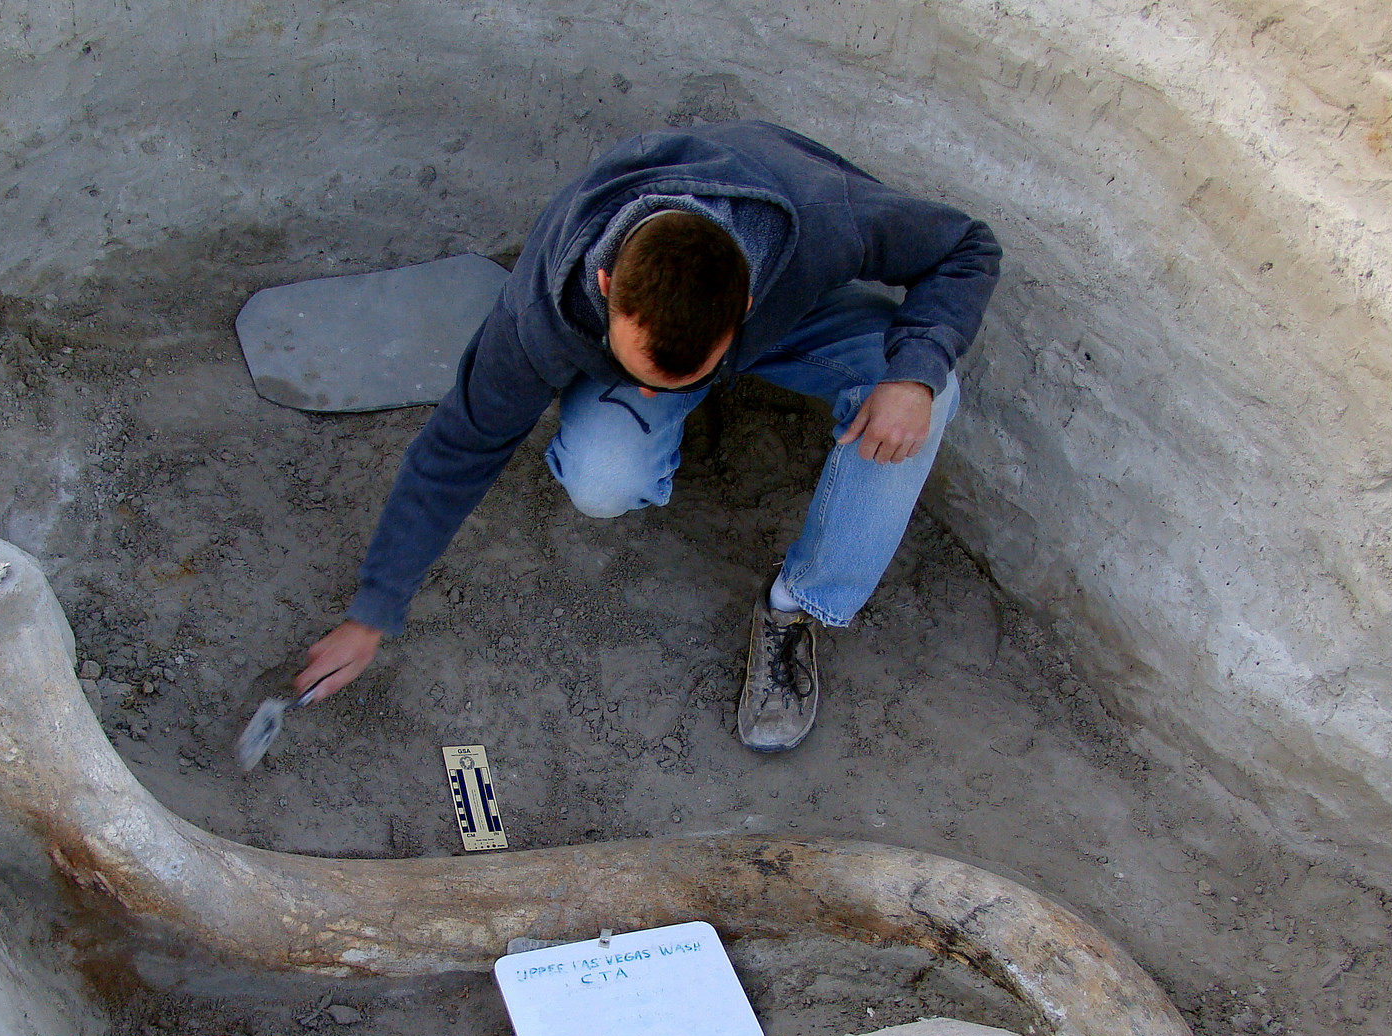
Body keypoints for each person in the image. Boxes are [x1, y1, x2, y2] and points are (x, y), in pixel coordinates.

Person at [295, 120, 1000, 751]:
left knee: (930, 393)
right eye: (644, 371)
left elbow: (967, 246)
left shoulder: (824, 217)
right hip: (671, 327)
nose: (661, 389)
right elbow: (457, 447)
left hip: (796, 321)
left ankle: (795, 606)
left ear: (746, 305)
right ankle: (645, 406)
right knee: (603, 478)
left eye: (683, 375)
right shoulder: (543, 307)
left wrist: (915, 371)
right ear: (605, 286)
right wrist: (373, 611)